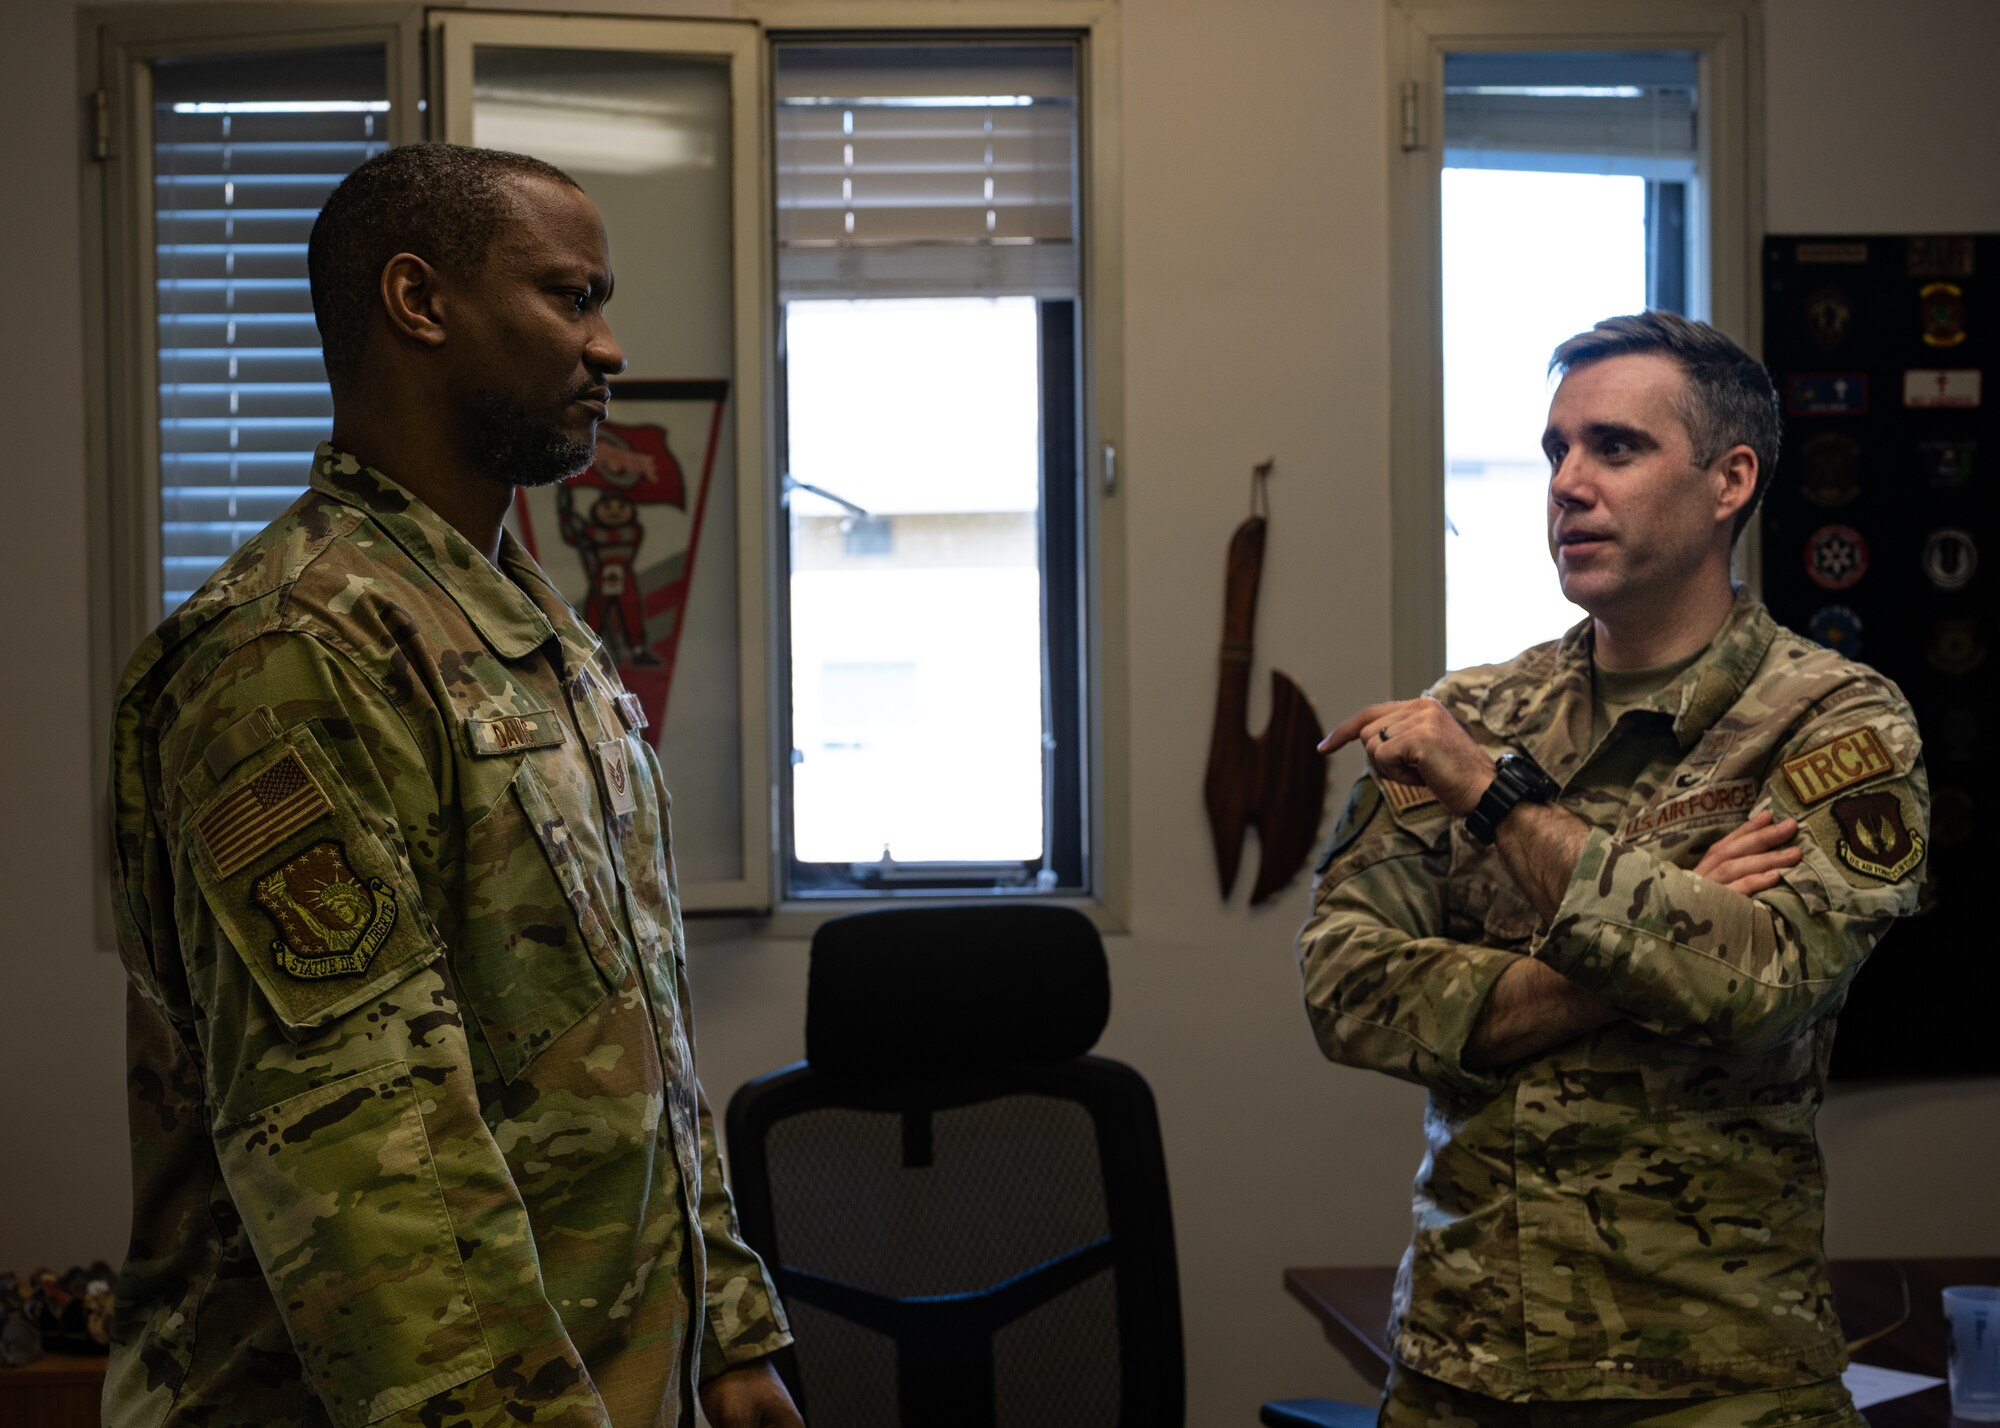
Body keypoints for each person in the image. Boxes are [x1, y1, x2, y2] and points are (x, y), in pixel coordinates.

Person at [105, 144, 801, 1428]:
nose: (609, 349)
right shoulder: (292, 649)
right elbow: (367, 1151)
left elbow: (639, 1034)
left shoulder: (527, 632)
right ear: (420, 305)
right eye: (571, 296)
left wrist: (732, 1337)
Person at [1298, 311, 1928, 1427]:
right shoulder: (1468, 714)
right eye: (1554, 452)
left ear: (1729, 479)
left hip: (1714, 1378)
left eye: (1614, 448)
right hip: (1461, 1364)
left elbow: (1761, 985)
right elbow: (1347, 993)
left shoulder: (1832, 719)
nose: (1566, 485)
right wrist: (1641, 943)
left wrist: (1491, 799)